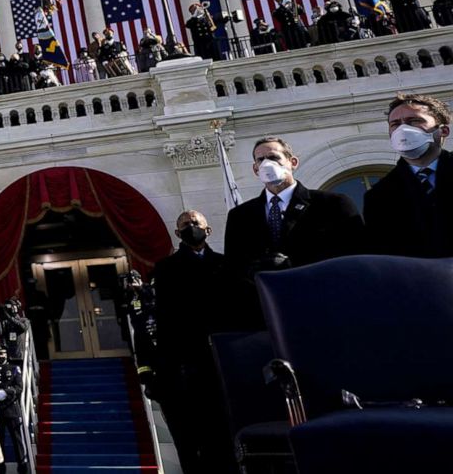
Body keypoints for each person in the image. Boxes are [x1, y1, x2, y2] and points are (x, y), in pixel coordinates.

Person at [222, 136, 364, 328]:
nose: (266, 164)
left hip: (326, 309)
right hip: (269, 316)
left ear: (292, 162)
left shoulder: (333, 204)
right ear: (255, 169)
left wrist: (294, 264)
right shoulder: (240, 216)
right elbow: (233, 268)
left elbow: (355, 256)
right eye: (260, 160)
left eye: (273, 157)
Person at [148, 211, 230, 474]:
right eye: (185, 224)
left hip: (222, 361)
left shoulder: (225, 264)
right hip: (186, 365)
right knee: (192, 442)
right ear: (177, 233)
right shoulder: (166, 269)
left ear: (208, 230)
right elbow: (165, 320)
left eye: (196, 223)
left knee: (224, 438)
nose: (191, 227)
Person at [365, 94, 452, 258]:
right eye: (395, 124)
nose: (402, 130)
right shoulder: (378, 197)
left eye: (414, 121)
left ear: (443, 130)